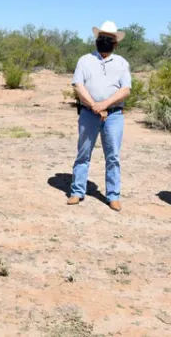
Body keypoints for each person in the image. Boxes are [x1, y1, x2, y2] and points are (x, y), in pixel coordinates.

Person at [68, 21, 132, 211]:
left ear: (115, 43)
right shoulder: (85, 60)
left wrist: (104, 105)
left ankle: (113, 195)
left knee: (113, 156)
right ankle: (77, 191)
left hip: (113, 115)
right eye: (101, 37)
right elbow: (78, 85)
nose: (104, 41)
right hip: (89, 113)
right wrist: (95, 106)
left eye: (108, 39)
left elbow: (126, 89)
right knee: (83, 153)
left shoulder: (121, 63)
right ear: (96, 39)